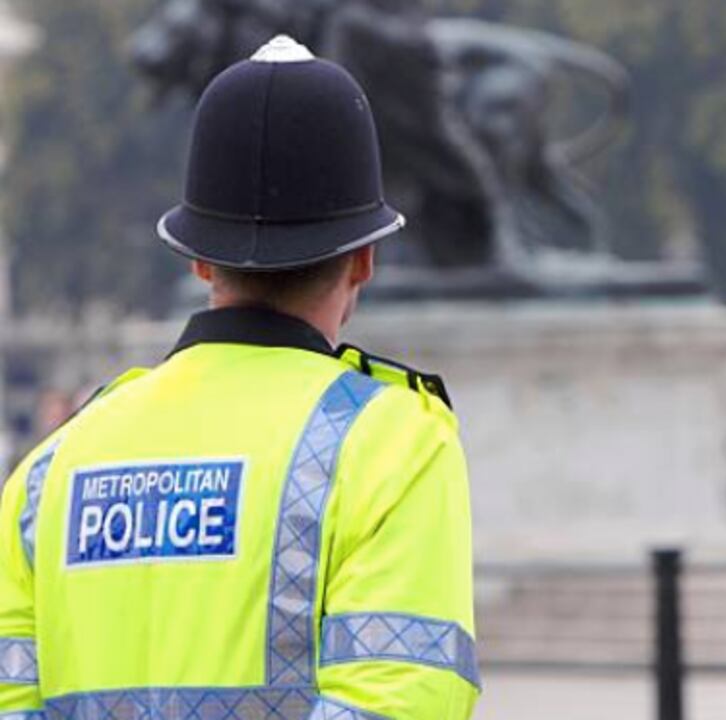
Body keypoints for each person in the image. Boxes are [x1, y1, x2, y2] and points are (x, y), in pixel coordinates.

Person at [0, 36, 478, 718]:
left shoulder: (53, 467)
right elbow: (400, 698)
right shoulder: (391, 444)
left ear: (198, 260)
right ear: (364, 260)